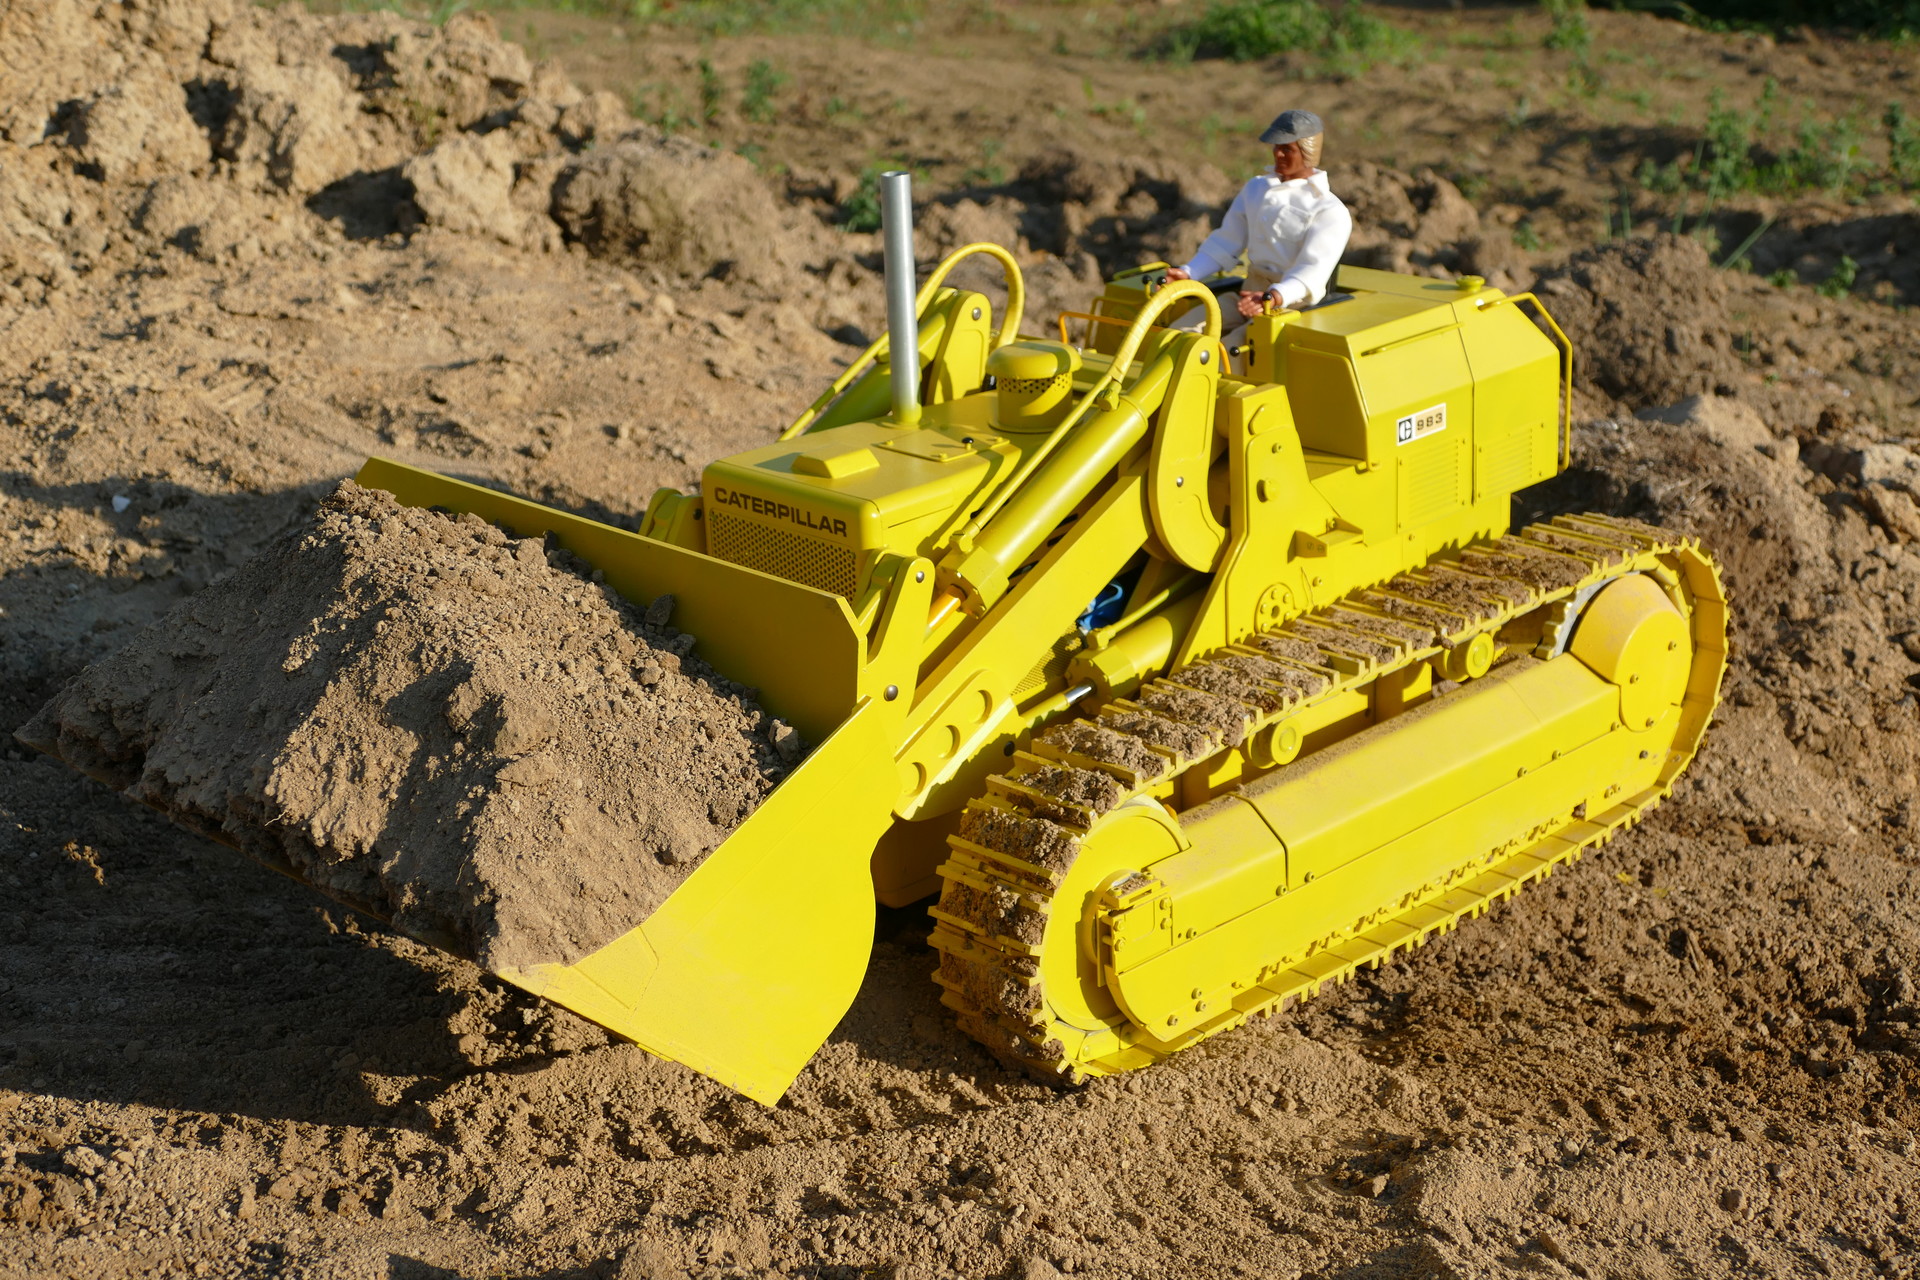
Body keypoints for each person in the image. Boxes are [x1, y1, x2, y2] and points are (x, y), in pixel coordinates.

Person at [1167, 109, 1352, 344]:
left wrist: (1275, 296)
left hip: (1291, 306)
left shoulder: (1328, 210)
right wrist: (1189, 272)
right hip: (1247, 292)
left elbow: (1312, 270)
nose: (1278, 154)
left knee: (1230, 352)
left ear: (1309, 152)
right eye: (1276, 146)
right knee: (1176, 336)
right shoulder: (1256, 189)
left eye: (1288, 149)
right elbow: (1226, 241)